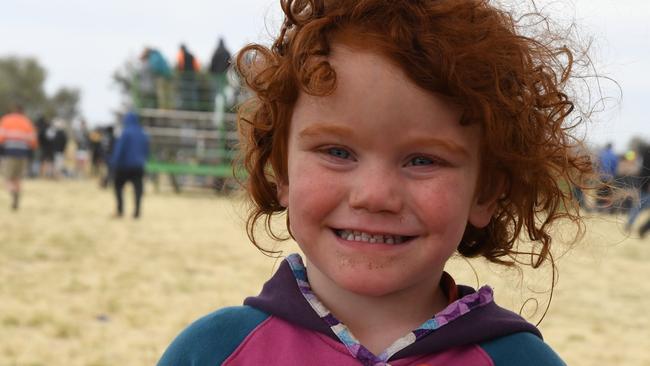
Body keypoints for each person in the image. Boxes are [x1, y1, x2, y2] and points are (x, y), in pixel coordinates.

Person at [158, 1, 596, 365]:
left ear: (484, 192)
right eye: (337, 152)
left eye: (423, 160)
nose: (375, 196)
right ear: (283, 172)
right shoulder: (210, 353)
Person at [110, 112, 149, 218]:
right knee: (138, 189)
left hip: (124, 166)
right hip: (138, 166)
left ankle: (120, 210)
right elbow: (146, 150)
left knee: (118, 186)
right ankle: (137, 212)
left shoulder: (125, 132)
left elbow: (119, 150)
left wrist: (114, 162)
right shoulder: (143, 133)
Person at [0, 104, 38, 210]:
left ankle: (13, 193)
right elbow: (33, 141)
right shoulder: (27, 122)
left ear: (13, 110)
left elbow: (1, 137)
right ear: (22, 111)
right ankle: (17, 195)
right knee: (18, 178)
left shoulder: (6, 120)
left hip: (9, 152)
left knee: (7, 178)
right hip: (23, 153)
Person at [175, 44, 201, 110]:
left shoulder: (181, 55)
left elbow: (180, 66)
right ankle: (193, 108)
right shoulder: (191, 55)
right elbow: (197, 67)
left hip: (184, 76)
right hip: (192, 76)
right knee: (192, 92)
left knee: (184, 92)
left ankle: (184, 107)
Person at [596, 143, 618, 212]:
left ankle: (599, 208)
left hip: (601, 176)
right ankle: (609, 208)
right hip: (610, 177)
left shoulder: (601, 154)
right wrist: (613, 175)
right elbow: (615, 167)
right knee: (609, 193)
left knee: (600, 192)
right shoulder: (614, 155)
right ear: (611, 147)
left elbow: (597, 165)